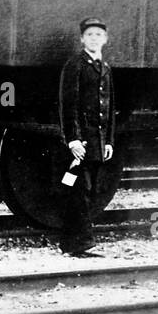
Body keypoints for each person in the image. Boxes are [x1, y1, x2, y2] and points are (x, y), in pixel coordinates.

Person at [57, 16, 115, 257]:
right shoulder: (76, 65)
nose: (94, 38)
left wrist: (109, 141)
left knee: (87, 191)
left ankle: (71, 243)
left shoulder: (105, 68)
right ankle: (79, 243)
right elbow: (68, 105)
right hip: (81, 143)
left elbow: (110, 108)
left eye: (98, 35)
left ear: (105, 39)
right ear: (82, 39)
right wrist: (72, 139)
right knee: (77, 190)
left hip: (97, 142)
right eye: (89, 35)